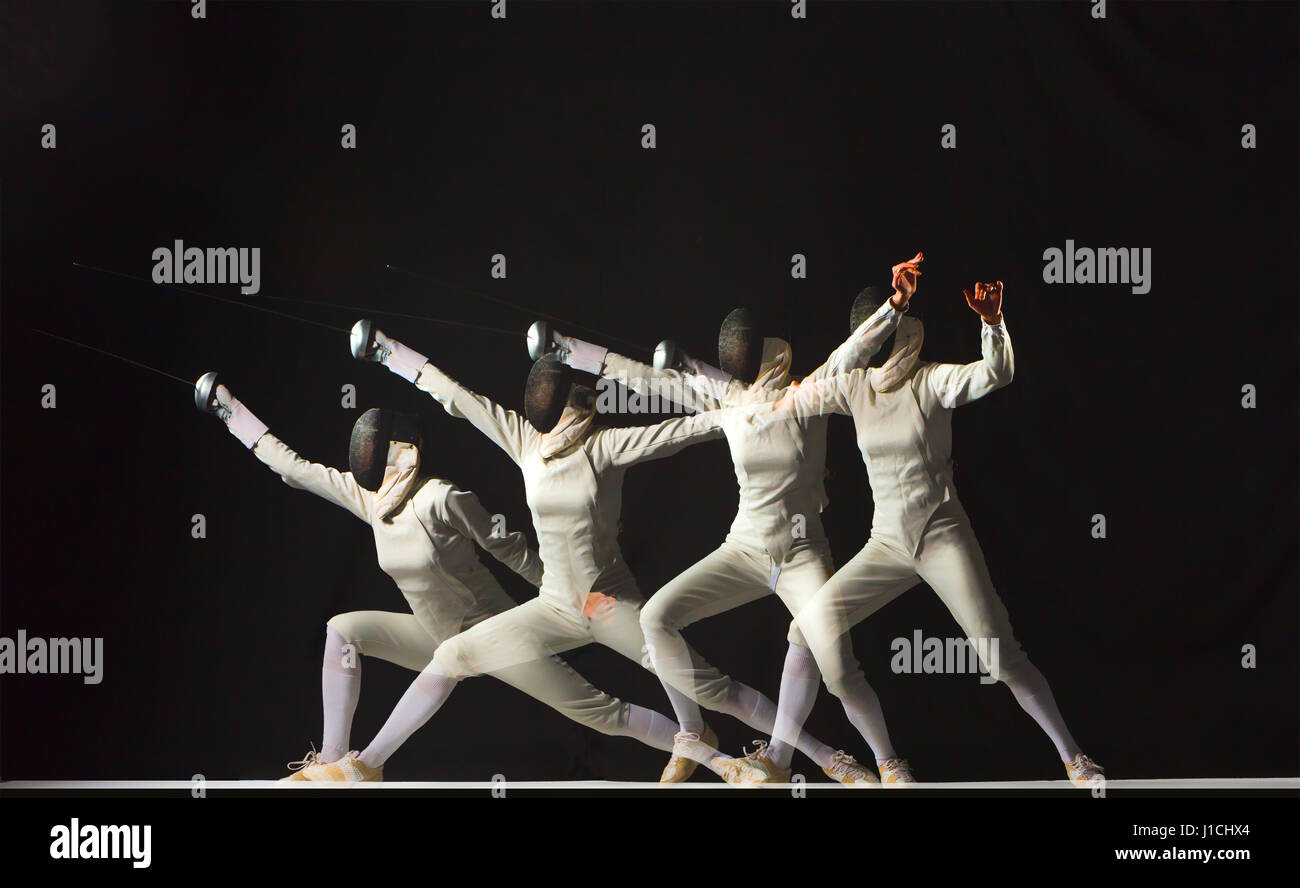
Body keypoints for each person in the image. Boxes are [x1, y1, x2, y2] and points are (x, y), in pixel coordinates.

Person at [530, 254, 928, 785]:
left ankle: (886, 760)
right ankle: (697, 731)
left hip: (800, 554)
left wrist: (894, 307)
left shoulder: (809, 392)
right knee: (655, 618)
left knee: (838, 670)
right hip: (743, 549)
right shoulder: (731, 398)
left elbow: (852, 354)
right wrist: (569, 351)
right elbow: (651, 381)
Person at [767, 280, 1105, 787]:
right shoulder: (854, 386)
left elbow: (997, 372)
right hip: (887, 545)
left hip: (942, 537)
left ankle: (1073, 757)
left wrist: (992, 324)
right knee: (804, 629)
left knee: (999, 655)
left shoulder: (931, 381)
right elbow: (802, 396)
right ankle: (879, 762)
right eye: (867, 337)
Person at [195, 375, 543, 779]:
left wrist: (559, 594)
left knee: (602, 712)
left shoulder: (441, 498)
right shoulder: (372, 501)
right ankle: (334, 765)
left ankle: (363, 767)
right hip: (436, 633)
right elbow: (295, 469)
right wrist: (230, 411)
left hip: (493, 632)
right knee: (343, 630)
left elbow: (508, 545)